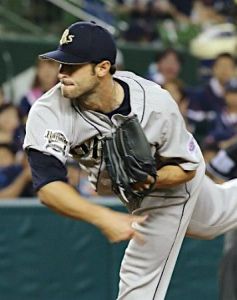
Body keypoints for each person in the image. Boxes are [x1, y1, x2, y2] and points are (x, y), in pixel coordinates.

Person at [23, 21, 237, 300]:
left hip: (171, 185)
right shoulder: (49, 110)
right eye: (61, 64)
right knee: (216, 217)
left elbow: (187, 168)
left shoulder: (155, 103)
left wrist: (150, 179)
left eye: (72, 66)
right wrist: (104, 217)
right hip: (135, 192)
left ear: (102, 68)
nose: (62, 73)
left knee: (138, 278)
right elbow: (49, 188)